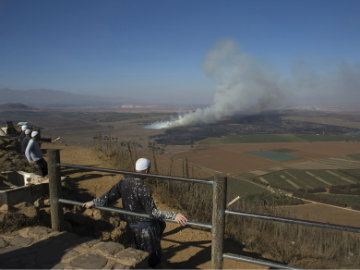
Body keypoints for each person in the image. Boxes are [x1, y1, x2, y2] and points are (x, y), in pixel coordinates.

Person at [83, 158, 188, 268]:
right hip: (147, 231)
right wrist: (174, 215)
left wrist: (93, 202)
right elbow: (152, 212)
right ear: (147, 171)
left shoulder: (123, 182)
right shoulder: (143, 188)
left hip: (132, 229)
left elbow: (108, 197)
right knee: (153, 260)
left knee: (136, 259)